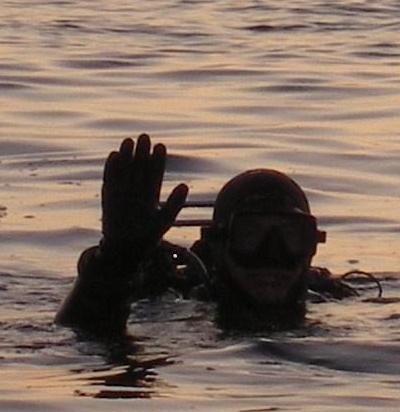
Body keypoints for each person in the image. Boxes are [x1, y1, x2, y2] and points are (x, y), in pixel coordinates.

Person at [58, 134, 358, 336]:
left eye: (291, 237)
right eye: (250, 235)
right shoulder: (170, 300)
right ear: (217, 245)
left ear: (312, 247)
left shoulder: (336, 299)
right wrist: (116, 260)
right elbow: (81, 336)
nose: (271, 256)